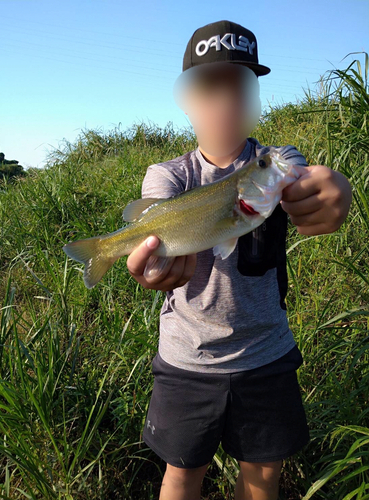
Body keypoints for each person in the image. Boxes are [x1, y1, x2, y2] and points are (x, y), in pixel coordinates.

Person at [126, 20, 352, 500]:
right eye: (211, 86)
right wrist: (149, 262)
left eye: (240, 85)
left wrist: (338, 190)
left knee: (262, 476)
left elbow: (306, 177)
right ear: (187, 98)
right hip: (187, 358)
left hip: (266, 354)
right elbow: (152, 216)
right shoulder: (167, 175)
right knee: (182, 474)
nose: (226, 100)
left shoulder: (273, 162)